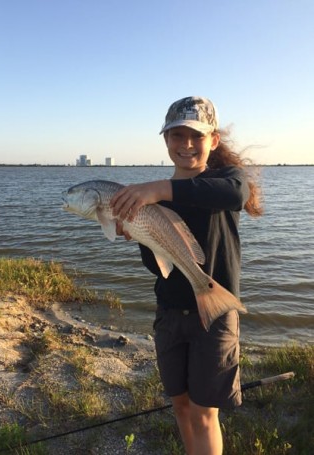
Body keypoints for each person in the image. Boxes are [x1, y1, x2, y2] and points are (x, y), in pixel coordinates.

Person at [110, 96, 263, 455]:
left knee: (204, 413)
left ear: (213, 140)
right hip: (170, 313)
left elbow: (236, 194)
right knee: (180, 406)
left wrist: (160, 188)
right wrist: (141, 237)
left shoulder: (226, 180)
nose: (187, 145)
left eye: (196, 136)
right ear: (166, 142)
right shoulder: (153, 201)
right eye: (177, 136)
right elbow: (159, 267)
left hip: (214, 316)